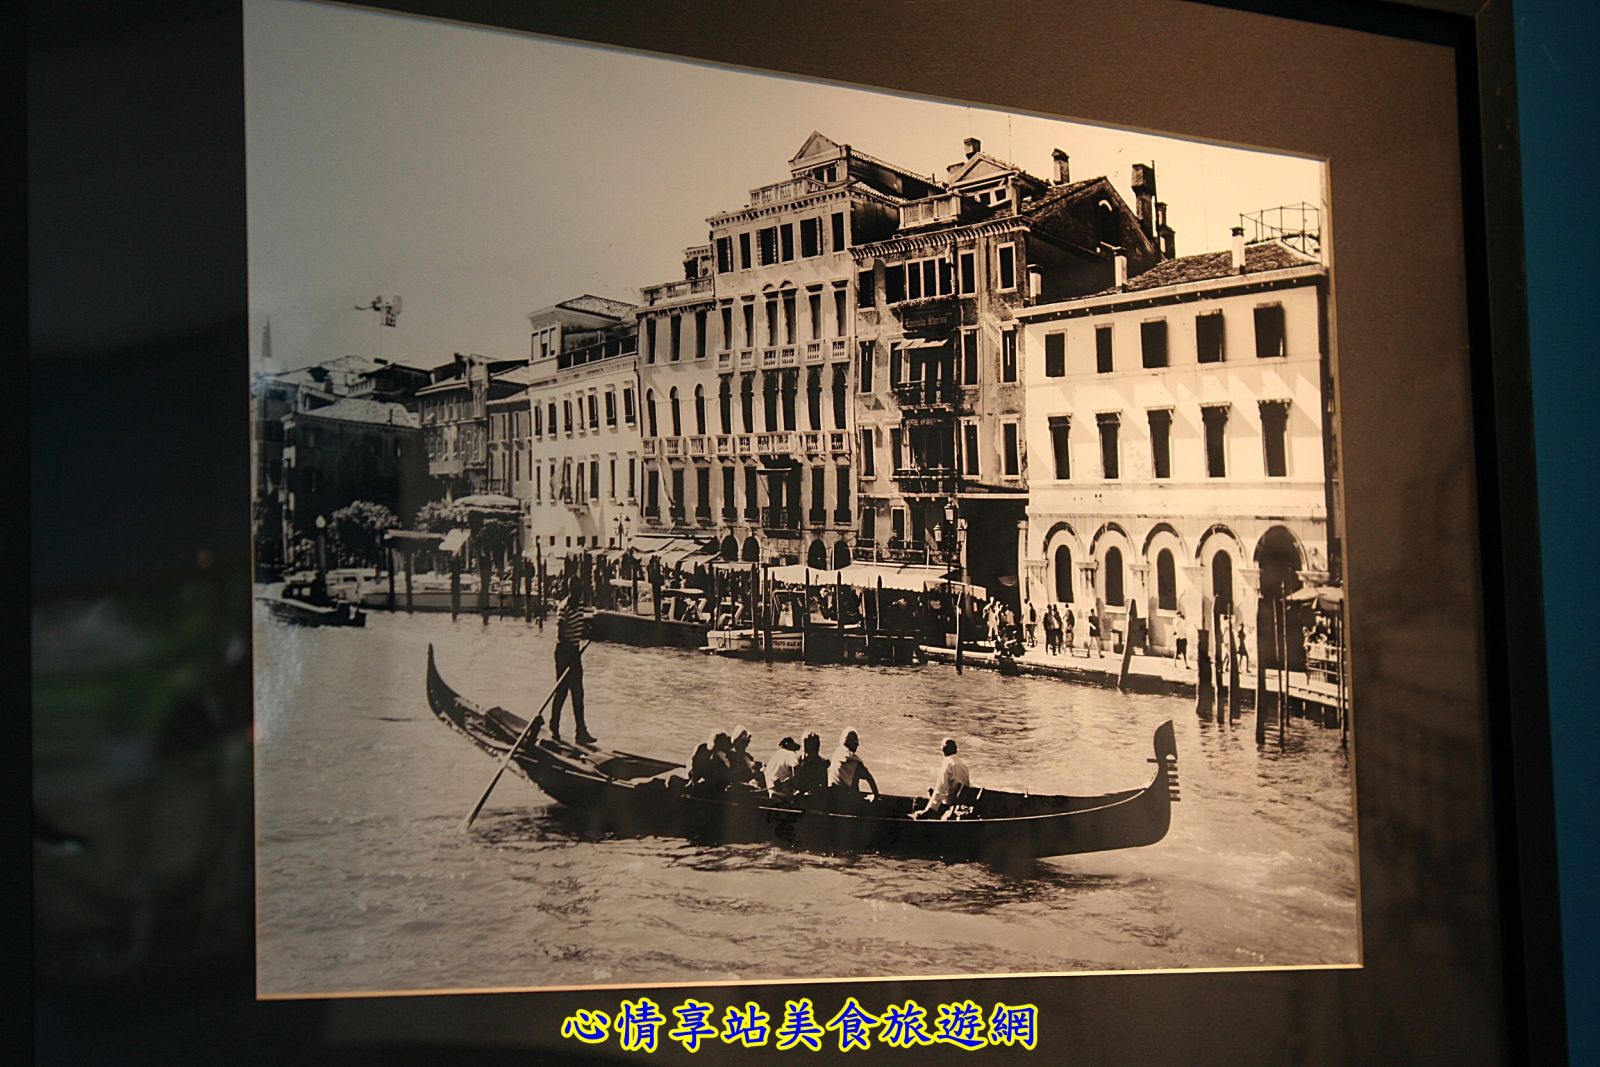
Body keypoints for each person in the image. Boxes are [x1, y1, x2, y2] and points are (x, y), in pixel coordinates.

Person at [551, 591, 596, 744]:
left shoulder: (580, 605)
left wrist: (589, 631)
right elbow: (561, 634)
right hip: (564, 651)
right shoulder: (565, 607)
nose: (578, 597)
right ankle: (554, 727)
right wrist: (570, 655)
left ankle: (580, 732)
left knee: (578, 693)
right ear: (571, 592)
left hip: (574, 651)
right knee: (562, 691)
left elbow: (579, 627)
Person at [912, 738, 971, 820]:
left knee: (917, 803)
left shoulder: (947, 763)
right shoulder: (963, 765)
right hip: (961, 801)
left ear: (943, 750)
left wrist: (931, 809)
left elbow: (941, 790)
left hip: (950, 803)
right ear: (956, 750)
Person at [828, 729, 879, 804]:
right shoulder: (853, 761)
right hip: (846, 801)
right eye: (855, 741)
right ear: (849, 742)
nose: (857, 745)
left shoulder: (837, 754)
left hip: (832, 797)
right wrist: (875, 795)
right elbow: (869, 777)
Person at [790, 732, 830, 797]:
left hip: (816, 795)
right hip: (800, 795)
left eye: (813, 745)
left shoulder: (822, 763)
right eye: (806, 745)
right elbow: (795, 784)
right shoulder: (798, 761)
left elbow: (824, 785)